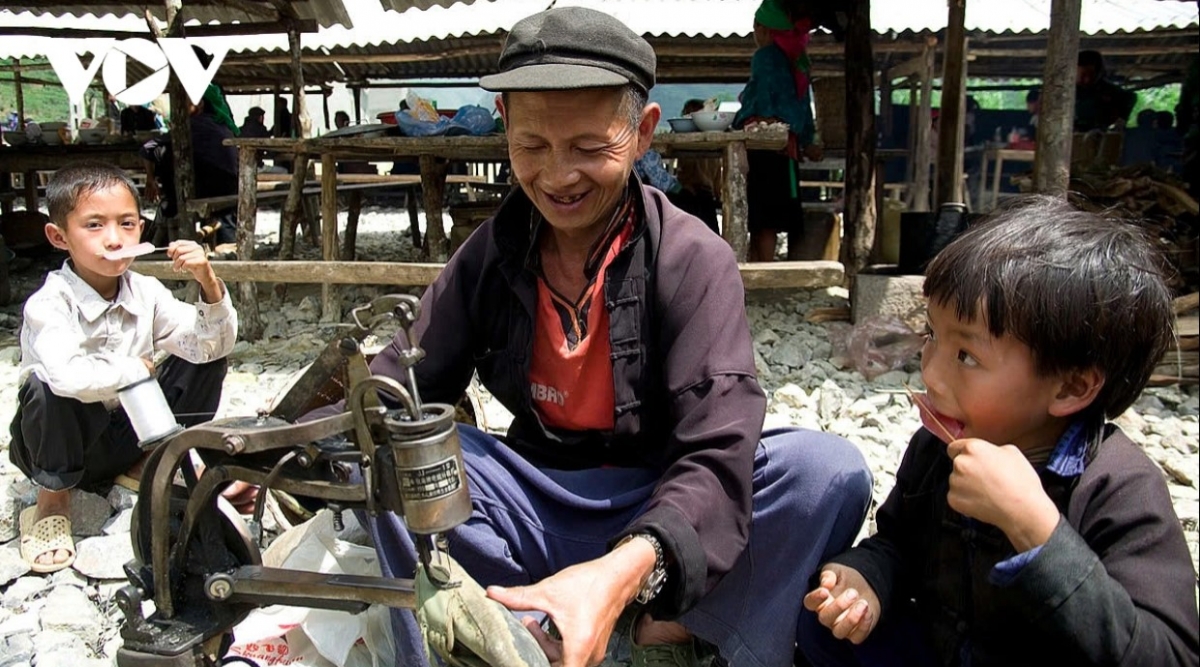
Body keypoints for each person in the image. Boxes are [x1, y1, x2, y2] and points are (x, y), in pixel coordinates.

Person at [303, 7, 872, 666]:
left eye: (588, 147)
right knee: (399, 455)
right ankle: (528, 618)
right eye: (532, 147)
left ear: (642, 134)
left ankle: (649, 629)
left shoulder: (692, 259)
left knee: (825, 472)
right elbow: (397, 382)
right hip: (539, 500)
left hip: (659, 502)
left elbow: (717, 450)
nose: (557, 175)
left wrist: (629, 565)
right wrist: (284, 446)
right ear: (506, 131)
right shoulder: (493, 251)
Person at [798, 196, 1200, 666]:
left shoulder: (1119, 488)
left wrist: (1038, 531)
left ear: (1071, 386)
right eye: (932, 335)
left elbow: (1168, 656)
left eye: (966, 355)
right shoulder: (937, 447)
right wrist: (865, 579)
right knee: (823, 630)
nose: (930, 372)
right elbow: (898, 545)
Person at [9, 161, 237, 574]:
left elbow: (210, 344)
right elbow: (69, 377)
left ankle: (152, 459)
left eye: (127, 224)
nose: (115, 239)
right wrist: (133, 368)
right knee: (46, 386)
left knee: (205, 357)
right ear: (59, 237)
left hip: (129, 435)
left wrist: (208, 283)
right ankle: (51, 503)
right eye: (94, 226)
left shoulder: (146, 291)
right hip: (60, 443)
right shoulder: (51, 303)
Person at [733, 0, 822, 262]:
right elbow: (804, 112)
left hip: (765, 146)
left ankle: (762, 269)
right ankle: (774, 265)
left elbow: (760, 101)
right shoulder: (797, 62)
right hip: (788, 149)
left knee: (762, 219)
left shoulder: (765, 57)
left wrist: (739, 119)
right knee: (778, 216)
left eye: (755, 27)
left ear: (764, 29)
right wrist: (807, 140)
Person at [141, 84, 240, 246]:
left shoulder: (190, 126)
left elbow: (147, 148)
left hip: (204, 192)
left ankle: (169, 238)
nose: (180, 105)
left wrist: (150, 179)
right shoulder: (222, 124)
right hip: (230, 190)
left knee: (169, 166)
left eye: (184, 101)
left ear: (199, 104)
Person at [1074, 50, 1136, 133]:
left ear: (1099, 73)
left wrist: (1121, 120)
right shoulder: (1065, 91)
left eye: (1092, 75)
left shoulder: (1108, 90)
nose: (1087, 80)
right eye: (1083, 75)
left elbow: (1130, 97)